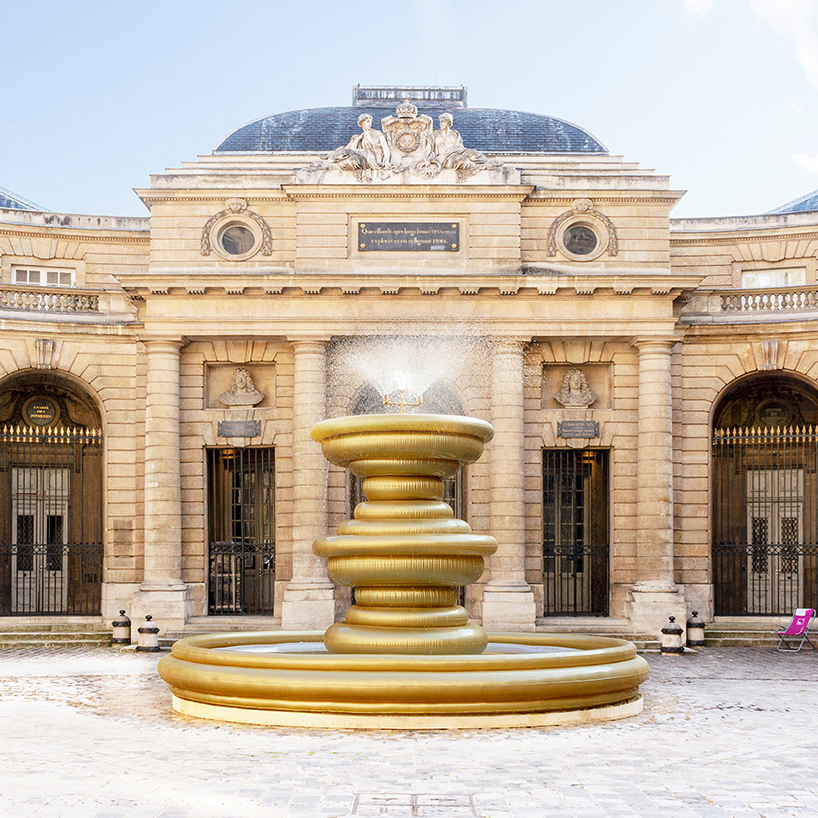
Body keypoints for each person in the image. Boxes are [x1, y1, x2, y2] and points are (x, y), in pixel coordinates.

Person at [325, 114, 391, 182]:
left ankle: (331, 159)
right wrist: (356, 140)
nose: (369, 124)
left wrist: (386, 161)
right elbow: (353, 149)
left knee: (345, 151)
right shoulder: (361, 137)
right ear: (362, 123)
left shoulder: (377, 134)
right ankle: (331, 162)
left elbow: (386, 148)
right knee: (351, 159)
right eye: (367, 122)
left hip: (375, 160)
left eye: (370, 122)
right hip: (365, 159)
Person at [430, 113, 495, 181]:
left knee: (472, 152)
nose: (441, 124)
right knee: (461, 159)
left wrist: (455, 150)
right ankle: (481, 167)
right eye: (440, 121)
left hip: (456, 152)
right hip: (445, 158)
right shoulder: (435, 135)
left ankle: (487, 162)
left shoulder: (455, 134)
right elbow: (428, 147)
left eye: (443, 121)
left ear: (449, 122)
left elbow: (460, 147)